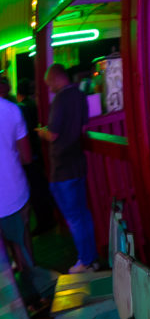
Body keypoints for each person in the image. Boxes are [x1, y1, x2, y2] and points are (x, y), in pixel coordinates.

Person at [35, 64, 98, 273]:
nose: (50, 89)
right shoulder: (80, 95)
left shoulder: (60, 99)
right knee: (83, 214)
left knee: (73, 217)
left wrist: (40, 131)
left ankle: (84, 261)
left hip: (62, 169)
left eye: (49, 84)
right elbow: (83, 127)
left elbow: (53, 134)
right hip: (78, 164)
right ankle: (92, 258)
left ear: (55, 79)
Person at [0, 93, 34, 274]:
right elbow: (27, 157)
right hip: (14, 191)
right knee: (23, 247)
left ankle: (13, 299)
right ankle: (36, 298)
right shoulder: (12, 110)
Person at [17, 78, 57, 234]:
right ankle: (48, 217)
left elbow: (23, 134)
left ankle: (44, 221)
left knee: (35, 189)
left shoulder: (22, 108)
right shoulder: (32, 105)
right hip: (37, 149)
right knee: (40, 185)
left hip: (30, 152)